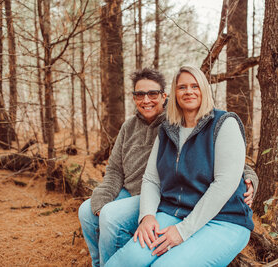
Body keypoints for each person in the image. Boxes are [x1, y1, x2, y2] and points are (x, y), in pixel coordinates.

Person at [78, 68, 258, 267]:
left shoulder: (222, 122)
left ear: (165, 96)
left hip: (223, 216)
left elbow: (227, 176)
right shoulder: (167, 127)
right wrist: (146, 216)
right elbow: (143, 176)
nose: (146, 100)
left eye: (194, 86)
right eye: (182, 87)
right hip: (172, 208)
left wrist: (249, 177)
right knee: (121, 257)